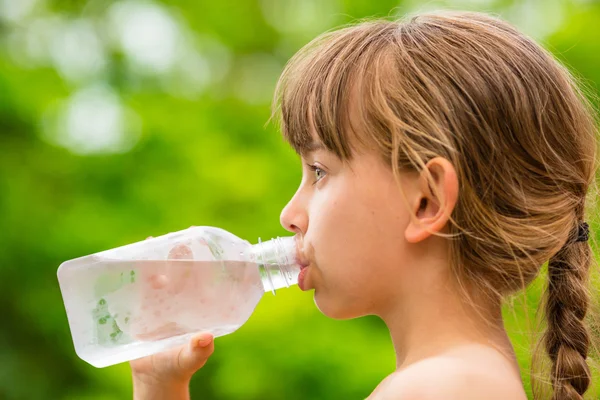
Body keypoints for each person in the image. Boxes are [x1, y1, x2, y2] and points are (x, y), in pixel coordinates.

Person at [129, 10, 598, 400]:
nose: (289, 215)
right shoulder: (464, 379)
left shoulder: (438, 388)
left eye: (319, 171)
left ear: (426, 201)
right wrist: (160, 383)